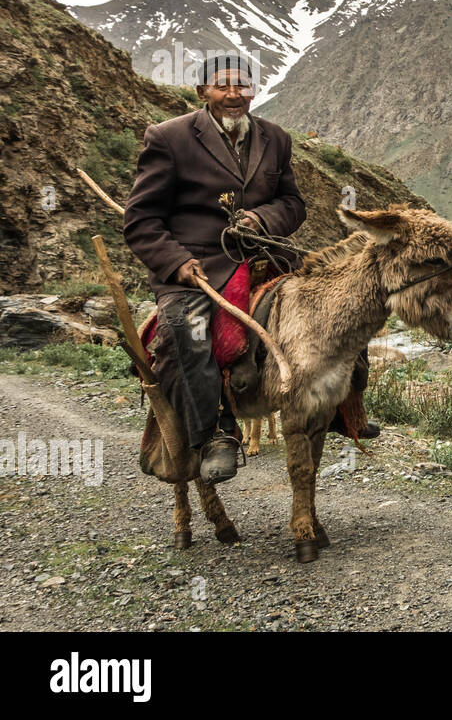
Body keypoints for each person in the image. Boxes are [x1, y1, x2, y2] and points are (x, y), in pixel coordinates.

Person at [124, 54, 374, 484]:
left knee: (345, 299)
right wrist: (177, 262)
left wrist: (262, 219)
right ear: (202, 91)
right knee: (186, 329)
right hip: (196, 265)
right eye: (223, 85)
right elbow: (141, 221)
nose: (235, 94)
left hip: (265, 254)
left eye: (243, 86)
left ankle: (342, 405)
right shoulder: (169, 138)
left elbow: (293, 204)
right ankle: (215, 433)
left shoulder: (275, 138)